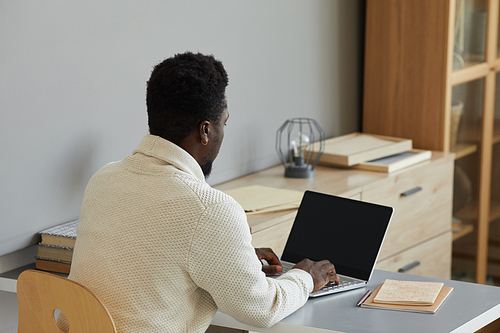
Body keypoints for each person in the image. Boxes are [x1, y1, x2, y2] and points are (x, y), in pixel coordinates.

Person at [68, 52, 339, 332]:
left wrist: (229, 257)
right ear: (205, 131)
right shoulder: (209, 208)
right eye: (224, 123)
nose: (223, 132)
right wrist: (305, 278)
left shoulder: (104, 179)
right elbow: (262, 309)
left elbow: (151, 252)